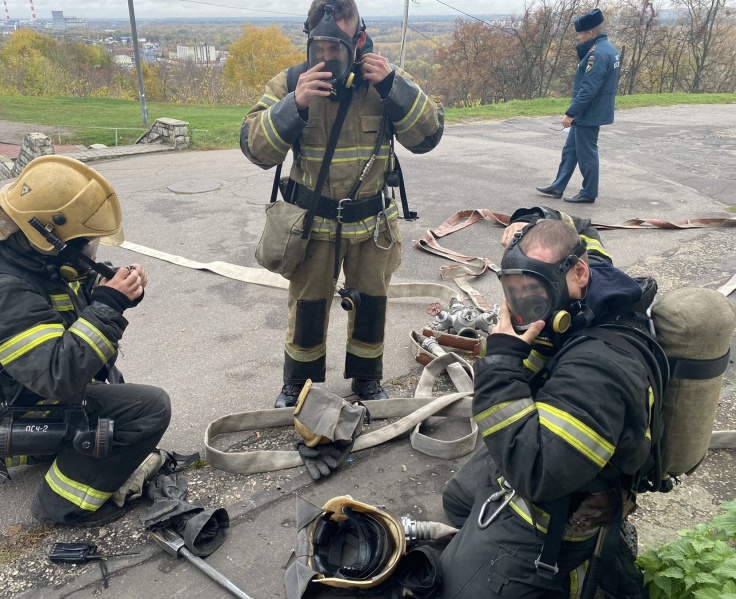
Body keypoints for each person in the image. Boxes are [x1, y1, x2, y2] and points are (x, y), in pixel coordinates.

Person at [438, 207, 653, 598]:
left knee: (451, 587)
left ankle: (576, 563)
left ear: (578, 273)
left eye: (535, 288)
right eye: (514, 289)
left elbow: (536, 473)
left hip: (559, 502)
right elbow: (577, 228)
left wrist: (501, 363)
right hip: (545, 434)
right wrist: (531, 219)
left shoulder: (598, 368)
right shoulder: (589, 279)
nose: (524, 305)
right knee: (457, 500)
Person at [0, 155, 172, 527]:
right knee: (147, 409)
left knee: (113, 393)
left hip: (25, 386)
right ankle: (63, 504)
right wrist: (108, 307)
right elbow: (58, 376)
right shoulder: (2, 288)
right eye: (83, 243)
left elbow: (62, 301)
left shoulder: (28, 253)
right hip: (27, 393)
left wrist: (108, 290)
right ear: (48, 234)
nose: (90, 250)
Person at [241, 0, 444, 408]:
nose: (329, 58)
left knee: (371, 307)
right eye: (321, 49)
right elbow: (255, 149)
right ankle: (298, 383)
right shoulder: (292, 82)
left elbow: (428, 136)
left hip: (372, 228)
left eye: (338, 49)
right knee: (308, 309)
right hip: (313, 226)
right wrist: (293, 105)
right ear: (310, 44)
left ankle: (367, 379)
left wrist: (393, 89)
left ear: (359, 38)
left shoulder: (384, 80)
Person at [536, 9, 620, 204]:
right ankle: (558, 186)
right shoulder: (608, 48)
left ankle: (589, 192)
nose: (580, 37)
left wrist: (571, 113)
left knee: (587, 153)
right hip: (591, 110)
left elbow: (589, 89)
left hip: (589, 112)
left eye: (581, 33)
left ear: (590, 33)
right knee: (571, 150)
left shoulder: (597, 55)